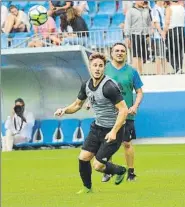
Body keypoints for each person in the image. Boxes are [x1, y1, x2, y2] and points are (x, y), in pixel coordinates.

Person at [54, 53, 129, 193]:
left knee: (98, 166)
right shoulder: (86, 85)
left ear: (104, 68)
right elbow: (77, 105)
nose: (97, 68)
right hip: (97, 128)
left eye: (100, 66)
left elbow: (123, 110)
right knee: (83, 158)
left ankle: (120, 171)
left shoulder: (109, 87)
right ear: (90, 67)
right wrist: (64, 110)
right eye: (95, 65)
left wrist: (113, 132)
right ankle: (87, 189)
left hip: (114, 130)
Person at [100, 43, 143, 182]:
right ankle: (108, 170)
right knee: (107, 142)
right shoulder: (104, 69)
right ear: (111, 53)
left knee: (127, 143)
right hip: (108, 113)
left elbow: (139, 92)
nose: (119, 53)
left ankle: (131, 173)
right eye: (117, 50)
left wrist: (135, 106)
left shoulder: (132, 71)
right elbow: (96, 87)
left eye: (122, 51)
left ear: (126, 53)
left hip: (126, 114)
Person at [124, 1, 152, 74]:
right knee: (135, 55)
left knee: (142, 55)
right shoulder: (130, 11)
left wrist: (148, 34)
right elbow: (127, 24)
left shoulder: (146, 10)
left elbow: (149, 23)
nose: (142, 1)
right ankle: (135, 73)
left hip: (144, 35)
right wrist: (127, 36)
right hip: (134, 34)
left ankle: (140, 72)